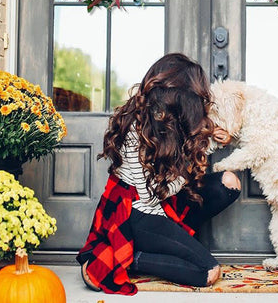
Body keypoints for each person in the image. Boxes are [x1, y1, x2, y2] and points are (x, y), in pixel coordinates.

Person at [77, 53, 241, 294]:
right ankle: (128, 257)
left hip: (165, 199)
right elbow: (149, 198)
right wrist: (186, 176)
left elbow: (196, 154)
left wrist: (223, 139)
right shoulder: (135, 125)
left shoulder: (176, 119)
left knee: (229, 182)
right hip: (137, 210)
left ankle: (174, 244)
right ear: (178, 95)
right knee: (208, 272)